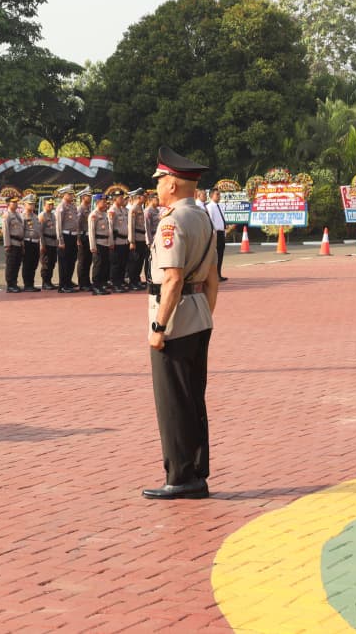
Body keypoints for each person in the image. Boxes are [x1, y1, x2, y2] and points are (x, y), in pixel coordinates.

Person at [143, 146, 219, 500]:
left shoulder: (172, 222)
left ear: (172, 184)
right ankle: (196, 472)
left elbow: (172, 279)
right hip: (199, 315)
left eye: (159, 181)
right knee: (193, 398)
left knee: (173, 401)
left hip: (175, 320)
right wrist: (204, 313)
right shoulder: (204, 217)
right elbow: (212, 279)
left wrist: (159, 328)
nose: (157, 187)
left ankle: (179, 476)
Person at [56, 186, 81, 293]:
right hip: (65, 237)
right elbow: (58, 225)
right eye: (69, 194)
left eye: (72, 194)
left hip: (73, 236)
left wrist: (77, 238)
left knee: (72, 260)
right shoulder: (61, 207)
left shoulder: (72, 206)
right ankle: (63, 285)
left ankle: (68, 281)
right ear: (64, 195)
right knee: (64, 262)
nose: (71, 196)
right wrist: (61, 241)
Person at [88, 194, 113, 295]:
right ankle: (95, 287)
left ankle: (102, 285)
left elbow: (109, 230)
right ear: (97, 202)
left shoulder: (104, 214)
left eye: (105, 201)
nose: (105, 203)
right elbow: (91, 232)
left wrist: (110, 242)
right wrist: (92, 246)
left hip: (105, 243)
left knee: (104, 265)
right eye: (103, 201)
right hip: (98, 243)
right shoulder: (94, 215)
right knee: (98, 265)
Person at [108, 187, 131, 292]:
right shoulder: (112, 211)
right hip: (117, 241)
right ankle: (115, 283)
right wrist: (111, 242)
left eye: (122, 197)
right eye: (120, 198)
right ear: (115, 199)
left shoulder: (123, 210)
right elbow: (110, 228)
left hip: (125, 241)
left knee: (123, 263)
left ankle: (120, 282)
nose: (122, 199)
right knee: (116, 264)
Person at [205, 188, 230, 281]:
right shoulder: (210, 207)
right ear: (211, 196)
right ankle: (213, 275)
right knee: (214, 256)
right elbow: (211, 221)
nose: (219, 196)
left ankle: (218, 274)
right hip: (215, 233)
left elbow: (221, 218)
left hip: (221, 232)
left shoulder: (220, 206)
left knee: (220, 254)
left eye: (219, 194)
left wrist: (224, 226)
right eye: (217, 194)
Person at [128, 189, 148, 291]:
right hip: (136, 237)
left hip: (142, 238)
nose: (145, 198)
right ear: (139, 197)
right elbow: (131, 226)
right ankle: (133, 281)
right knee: (135, 261)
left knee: (140, 261)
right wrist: (132, 241)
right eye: (144, 197)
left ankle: (137, 280)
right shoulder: (134, 208)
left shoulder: (141, 207)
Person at [2, 197, 24, 292]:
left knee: (17, 264)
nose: (15, 204)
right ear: (8, 204)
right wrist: (7, 245)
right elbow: (5, 231)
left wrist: (22, 243)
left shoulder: (18, 215)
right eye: (13, 202)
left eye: (16, 202)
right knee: (11, 264)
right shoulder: (7, 215)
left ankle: (14, 283)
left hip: (19, 243)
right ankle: (10, 285)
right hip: (12, 242)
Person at [21, 196, 42, 292]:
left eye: (33, 204)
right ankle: (27, 284)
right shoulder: (23, 216)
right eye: (30, 204)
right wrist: (22, 245)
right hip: (27, 242)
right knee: (27, 264)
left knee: (34, 264)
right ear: (24, 204)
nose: (32, 205)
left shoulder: (35, 216)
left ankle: (31, 284)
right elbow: (21, 231)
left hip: (35, 242)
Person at [39, 197, 59, 289]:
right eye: (49, 204)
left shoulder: (53, 215)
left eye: (52, 204)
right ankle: (45, 282)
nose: (51, 206)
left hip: (53, 242)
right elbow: (40, 232)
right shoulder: (42, 216)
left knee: (52, 262)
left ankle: (49, 281)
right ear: (44, 205)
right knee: (46, 263)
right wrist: (42, 244)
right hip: (46, 242)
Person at [76, 189, 94, 291]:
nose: (90, 197)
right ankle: (82, 283)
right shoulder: (80, 209)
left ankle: (87, 281)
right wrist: (78, 239)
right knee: (82, 261)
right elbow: (77, 225)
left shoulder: (88, 208)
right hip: (82, 237)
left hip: (88, 237)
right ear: (83, 197)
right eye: (88, 196)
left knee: (88, 260)